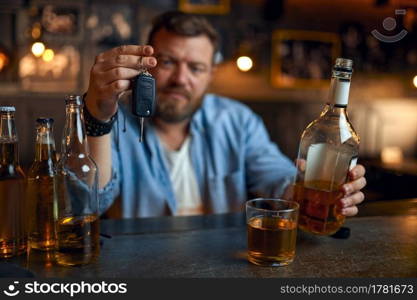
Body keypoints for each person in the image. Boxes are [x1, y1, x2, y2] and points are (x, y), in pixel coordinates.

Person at [84, 11, 366, 218]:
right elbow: (86, 205)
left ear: (210, 75)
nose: (181, 79)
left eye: (195, 67)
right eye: (168, 62)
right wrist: (97, 116)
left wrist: (303, 193)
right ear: (147, 66)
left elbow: (275, 174)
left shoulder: (237, 120)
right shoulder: (113, 122)